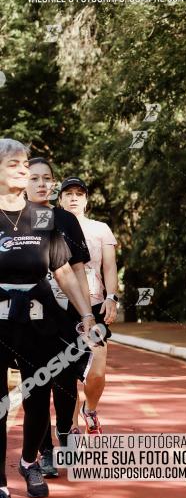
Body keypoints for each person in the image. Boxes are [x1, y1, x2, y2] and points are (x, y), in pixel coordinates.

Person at [0, 139, 95, 498]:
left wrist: (87, 314)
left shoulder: (44, 218)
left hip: (40, 318)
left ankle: (28, 461)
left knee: (39, 397)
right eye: (14, 164)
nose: (23, 171)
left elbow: (63, 270)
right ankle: (0, 490)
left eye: (26, 164)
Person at [26, 158, 93, 477]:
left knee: (66, 382)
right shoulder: (15, 219)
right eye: (34, 178)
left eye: (46, 178)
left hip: (66, 316)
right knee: (35, 383)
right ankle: (45, 451)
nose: (41, 184)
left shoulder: (66, 219)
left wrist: (86, 313)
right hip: (27, 318)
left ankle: (66, 435)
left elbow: (78, 268)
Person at [59, 177, 118, 434]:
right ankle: (70, 427)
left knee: (98, 363)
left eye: (79, 194)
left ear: (86, 200)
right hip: (60, 305)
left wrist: (112, 297)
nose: (73, 198)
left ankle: (90, 408)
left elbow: (109, 266)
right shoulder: (52, 226)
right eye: (68, 193)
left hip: (94, 304)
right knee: (66, 371)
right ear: (59, 199)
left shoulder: (100, 228)